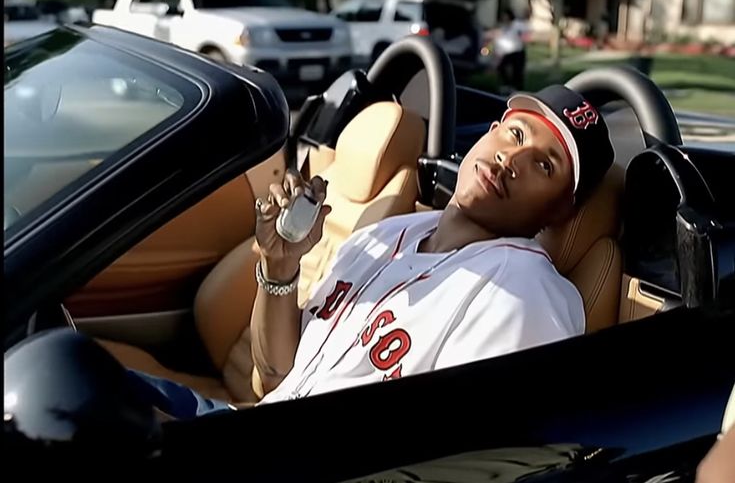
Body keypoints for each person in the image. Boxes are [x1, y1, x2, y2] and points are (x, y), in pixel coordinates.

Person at [129, 84, 615, 416]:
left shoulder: (524, 295)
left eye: (545, 166)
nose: (514, 157)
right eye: (515, 133)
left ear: (559, 214)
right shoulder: (386, 234)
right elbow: (278, 374)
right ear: (489, 133)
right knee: (72, 369)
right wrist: (281, 267)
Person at [493, 9, 528, 93]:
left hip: (518, 51)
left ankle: (517, 88)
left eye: (505, 16)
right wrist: (498, 51)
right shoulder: (503, 28)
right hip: (508, 52)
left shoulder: (517, 25)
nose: (504, 18)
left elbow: (525, 33)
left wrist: (523, 38)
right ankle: (507, 84)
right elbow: (501, 40)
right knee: (501, 67)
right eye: (503, 16)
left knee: (517, 71)